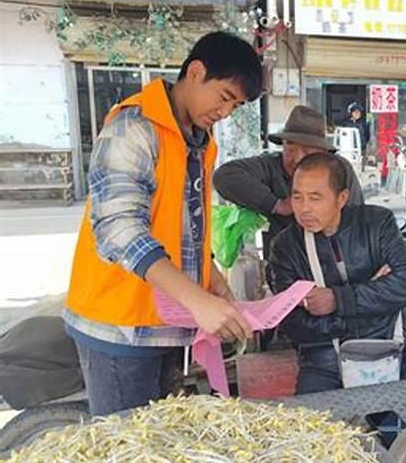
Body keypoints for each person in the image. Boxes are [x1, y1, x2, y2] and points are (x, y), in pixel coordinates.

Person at [64, 31, 263, 416]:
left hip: (167, 325)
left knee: (161, 443)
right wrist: (195, 298)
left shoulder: (200, 139)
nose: (225, 113)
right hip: (120, 328)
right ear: (196, 71)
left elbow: (186, 222)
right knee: (129, 449)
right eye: (224, 97)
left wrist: (212, 280)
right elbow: (119, 231)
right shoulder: (133, 129)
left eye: (235, 107)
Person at [269, 153, 406, 394]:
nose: (304, 208)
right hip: (323, 363)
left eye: (315, 198)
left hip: (389, 352)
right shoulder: (287, 246)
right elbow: (293, 324)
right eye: (297, 197)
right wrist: (376, 297)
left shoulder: (376, 223)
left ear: (342, 198)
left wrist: (336, 300)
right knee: (310, 428)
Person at [213, 105, 364, 261]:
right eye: (290, 150)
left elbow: (358, 219)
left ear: (323, 152)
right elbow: (224, 176)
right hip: (284, 261)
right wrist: (276, 205)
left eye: (307, 152)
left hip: (334, 259)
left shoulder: (339, 169)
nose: (297, 159)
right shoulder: (271, 166)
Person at [346, 101, 370, 169]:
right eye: (355, 112)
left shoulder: (364, 123)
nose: (356, 114)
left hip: (362, 148)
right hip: (349, 148)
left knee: (361, 166)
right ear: (351, 113)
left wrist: (364, 143)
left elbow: (367, 135)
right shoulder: (347, 123)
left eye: (358, 112)